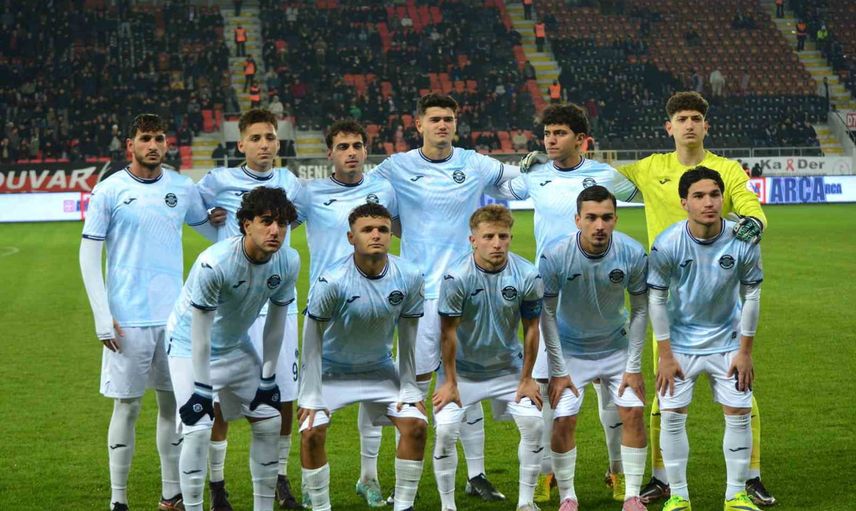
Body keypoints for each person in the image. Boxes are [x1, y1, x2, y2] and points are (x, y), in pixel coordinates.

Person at [519, 91, 773, 507]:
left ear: (706, 126)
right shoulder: (650, 167)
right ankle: (660, 479)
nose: (689, 125)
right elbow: (594, 179)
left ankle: (751, 477)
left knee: (740, 388)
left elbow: (749, 205)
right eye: (681, 119)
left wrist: (753, 225)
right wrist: (546, 165)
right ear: (669, 127)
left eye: (696, 118)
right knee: (662, 386)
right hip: (666, 293)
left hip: (718, 293)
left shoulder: (726, 170)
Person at [371, 93, 522, 502]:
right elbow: (372, 203)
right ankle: (406, 483)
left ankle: (476, 476)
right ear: (418, 124)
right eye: (435, 118)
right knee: (414, 387)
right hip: (419, 296)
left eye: (449, 119)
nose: (443, 125)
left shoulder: (473, 162)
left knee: (466, 380)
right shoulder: (396, 166)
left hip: (468, 291)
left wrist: (541, 173)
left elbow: (517, 180)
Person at [497, 104, 640, 504]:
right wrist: (516, 168)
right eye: (547, 133)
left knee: (613, 395)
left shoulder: (605, 176)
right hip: (550, 295)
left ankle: (617, 471)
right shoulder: (536, 175)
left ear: (581, 139)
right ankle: (548, 473)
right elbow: (499, 188)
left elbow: (646, 192)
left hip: (599, 292)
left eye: (559, 133)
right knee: (548, 391)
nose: (550, 140)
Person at [79, 113, 214, 511]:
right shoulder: (109, 190)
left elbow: (211, 230)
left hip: (175, 320)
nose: (153, 145)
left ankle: (170, 494)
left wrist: (236, 221)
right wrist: (101, 315)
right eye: (145, 138)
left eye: (159, 138)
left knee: (172, 406)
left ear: (166, 143)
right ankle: (118, 499)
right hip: (127, 320)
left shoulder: (181, 187)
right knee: (128, 406)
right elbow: (88, 254)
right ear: (130, 145)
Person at [166, 186, 301, 511]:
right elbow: (200, 330)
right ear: (246, 224)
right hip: (188, 346)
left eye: (282, 223)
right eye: (266, 221)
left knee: (269, 420)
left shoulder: (288, 261)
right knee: (198, 429)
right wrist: (201, 389)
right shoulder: (215, 263)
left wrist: (268, 378)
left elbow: (276, 323)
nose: (275, 231)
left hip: (236, 346)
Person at [197, 109, 304, 509]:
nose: (264, 144)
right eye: (256, 138)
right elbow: (193, 212)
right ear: (240, 143)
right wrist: (210, 224)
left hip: (276, 299)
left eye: (270, 137)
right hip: (234, 305)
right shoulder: (218, 180)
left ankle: (279, 476)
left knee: (284, 392)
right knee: (218, 398)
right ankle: (217, 483)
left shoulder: (290, 182)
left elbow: (298, 220)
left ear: (278, 142)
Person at [292, 120, 398, 508]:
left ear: (365, 150)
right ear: (330, 153)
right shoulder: (309, 193)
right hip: (327, 310)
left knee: (374, 394)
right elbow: (277, 225)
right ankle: (311, 484)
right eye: (342, 146)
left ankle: (369, 478)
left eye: (356, 145)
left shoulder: (383, 190)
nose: (351, 152)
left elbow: (399, 229)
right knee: (314, 401)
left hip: (376, 304)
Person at [648, 167, 764, 511]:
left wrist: (745, 352)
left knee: (739, 413)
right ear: (684, 202)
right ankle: (679, 496)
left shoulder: (742, 240)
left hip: (729, 344)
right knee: (672, 417)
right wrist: (665, 355)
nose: (708, 202)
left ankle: (735, 495)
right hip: (680, 347)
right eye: (698, 196)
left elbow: (752, 296)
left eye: (714, 194)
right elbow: (656, 300)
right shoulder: (667, 242)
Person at [298, 203, 427, 511]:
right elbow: (311, 339)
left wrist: (409, 386)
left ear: (391, 235)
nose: (376, 235)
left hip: (379, 369)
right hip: (331, 371)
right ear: (350, 237)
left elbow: (409, 335)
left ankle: (404, 505)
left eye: (383, 229)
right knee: (311, 433)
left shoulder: (410, 276)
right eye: (367, 230)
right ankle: (320, 507)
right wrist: (311, 394)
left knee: (417, 426)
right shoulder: (332, 281)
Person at [540, 186, 649, 511]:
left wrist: (633, 366)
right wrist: (558, 370)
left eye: (606, 217)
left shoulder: (632, 253)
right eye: (591, 218)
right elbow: (546, 314)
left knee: (633, 412)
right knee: (563, 419)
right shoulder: (555, 254)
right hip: (571, 351)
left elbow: (641, 310)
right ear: (577, 220)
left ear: (616, 219)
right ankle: (568, 497)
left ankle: (631, 496)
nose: (599, 225)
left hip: (615, 348)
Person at [432, 205, 545, 511]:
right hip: (462, 373)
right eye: (489, 237)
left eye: (503, 236)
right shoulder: (456, 277)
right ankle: (447, 506)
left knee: (534, 425)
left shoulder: (527, 274)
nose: (497, 243)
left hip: (507, 370)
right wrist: (450, 382)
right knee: (445, 431)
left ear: (510, 238)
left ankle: (526, 503)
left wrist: (527, 378)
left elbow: (532, 328)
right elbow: (447, 333)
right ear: (473, 240)